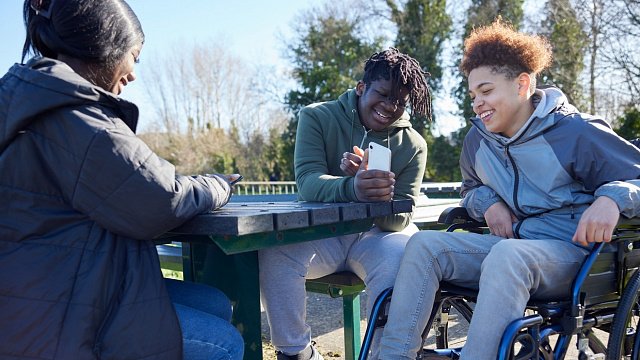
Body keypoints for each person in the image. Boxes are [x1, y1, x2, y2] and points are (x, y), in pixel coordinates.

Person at [377, 19, 640, 360]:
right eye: (473, 95)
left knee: (507, 255)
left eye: (486, 91)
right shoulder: (477, 142)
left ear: (522, 84)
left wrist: (612, 198)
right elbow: (470, 188)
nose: (477, 103)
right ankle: (393, 356)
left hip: (575, 253)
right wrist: (487, 203)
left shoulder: (575, 133)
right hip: (514, 247)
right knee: (425, 244)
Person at [0, 1, 243, 359]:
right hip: (58, 313)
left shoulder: (35, 101)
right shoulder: (78, 120)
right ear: (102, 47)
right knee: (223, 342)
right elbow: (163, 198)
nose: (132, 74)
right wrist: (218, 185)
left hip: (46, 288)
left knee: (215, 301)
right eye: (134, 56)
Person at [259, 48, 432, 360]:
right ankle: (296, 351)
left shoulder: (414, 145)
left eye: (400, 101)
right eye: (382, 94)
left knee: (404, 257)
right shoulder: (316, 117)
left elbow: (400, 221)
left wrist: (382, 198)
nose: (390, 107)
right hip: (327, 234)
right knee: (275, 250)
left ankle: (384, 354)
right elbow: (307, 182)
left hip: (379, 236)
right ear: (361, 88)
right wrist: (351, 187)